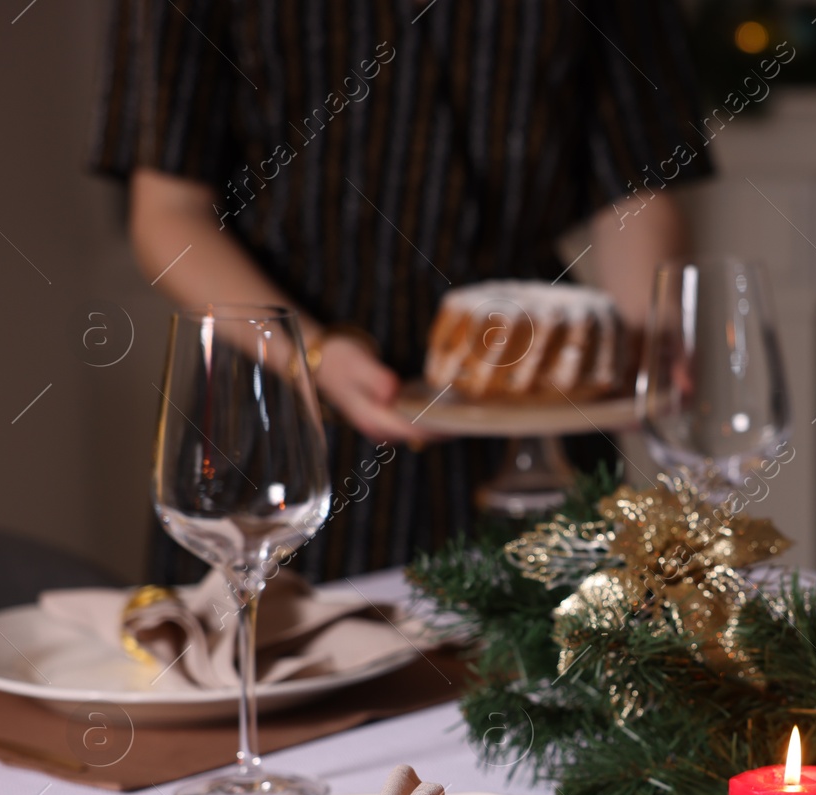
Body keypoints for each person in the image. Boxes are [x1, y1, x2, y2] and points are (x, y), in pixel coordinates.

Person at [92, 0, 712, 580]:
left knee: (547, 665)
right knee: (292, 671)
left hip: (531, 398)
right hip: (281, 402)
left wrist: (644, 336)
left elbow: (640, 179)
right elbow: (168, 213)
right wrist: (312, 355)